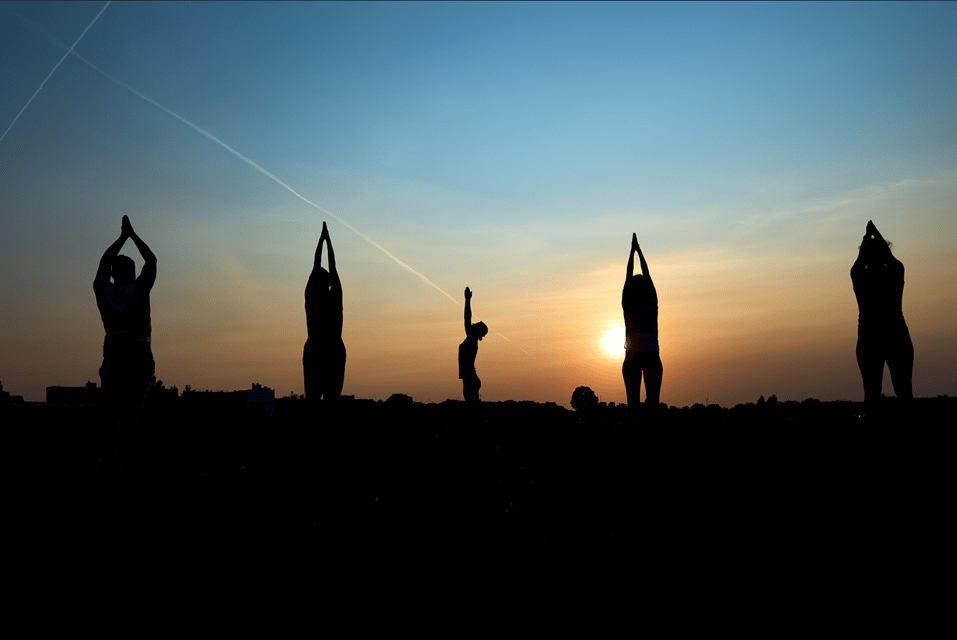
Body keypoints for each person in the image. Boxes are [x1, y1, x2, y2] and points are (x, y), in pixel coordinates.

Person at [93, 215, 157, 460]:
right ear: (133, 273)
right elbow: (151, 260)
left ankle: (109, 456)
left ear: (112, 273)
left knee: (110, 410)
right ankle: (124, 456)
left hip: (112, 357)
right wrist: (133, 236)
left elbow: (103, 261)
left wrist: (121, 238)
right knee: (133, 410)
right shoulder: (139, 290)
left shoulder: (103, 291)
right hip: (138, 357)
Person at [851, 220, 913, 416]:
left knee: (872, 396)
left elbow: (859, 262)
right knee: (904, 394)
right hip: (896, 336)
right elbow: (891, 258)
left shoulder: (860, 276)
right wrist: (875, 234)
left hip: (871, 339)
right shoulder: (895, 271)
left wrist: (866, 239)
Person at [304, 221, 346, 404]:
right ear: (328, 284)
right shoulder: (333, 299)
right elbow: (332, 266)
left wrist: (322, 240)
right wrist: (327, 240)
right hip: (331, 350)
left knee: (314, 400)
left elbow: (318, 265)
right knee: (331, 401)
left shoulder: (312, 300)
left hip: (319, 350)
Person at [622, 233, 662, 421]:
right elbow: (648, 275)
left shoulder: (628, 304)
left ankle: (634, 438)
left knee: (633, 406)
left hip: (632, 358)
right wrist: (639, 251)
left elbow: (628, 276)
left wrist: (632, 252)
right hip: (652, 356)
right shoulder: (652, 303)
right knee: (653, 405)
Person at [459, 287, 488, 404]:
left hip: (470, 378)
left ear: (477, 331)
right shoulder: (472, 340)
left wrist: (467, 300)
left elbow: (467, 318)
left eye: (477, 324)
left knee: (472, 409)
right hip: (470, 378)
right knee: (472, 408)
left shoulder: (471, 339)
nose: (474, 323)